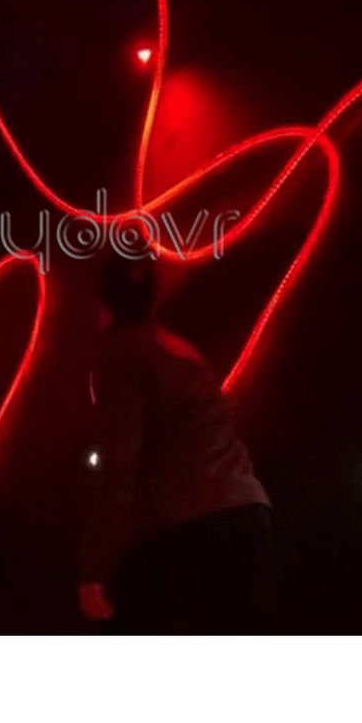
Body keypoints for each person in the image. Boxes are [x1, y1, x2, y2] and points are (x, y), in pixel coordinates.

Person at [79, 252, 273, 633]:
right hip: (247, 511)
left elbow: (119, 464)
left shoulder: (121, 353)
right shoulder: (180, 349)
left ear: (102, 304)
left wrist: (95, 567)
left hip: (188, 524)